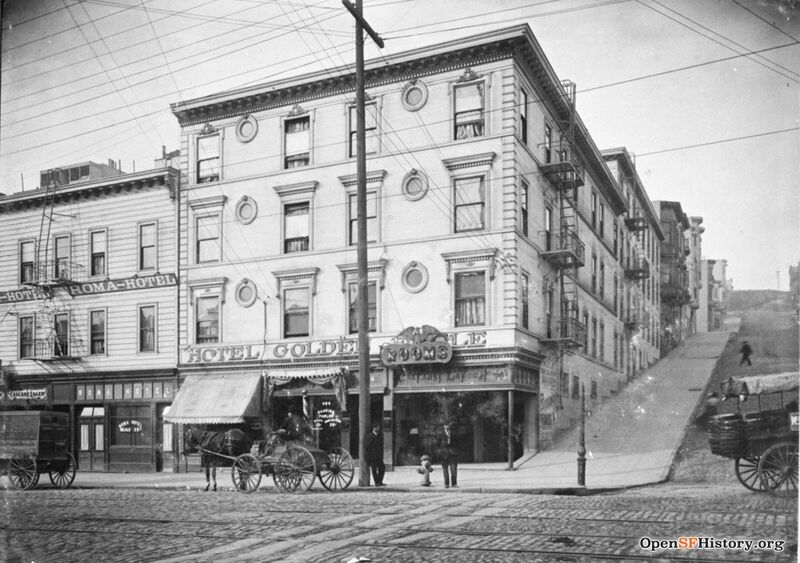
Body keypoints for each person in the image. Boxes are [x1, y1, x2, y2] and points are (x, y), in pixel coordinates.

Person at [440, 423, 458, 489]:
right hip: (444, 454)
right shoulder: (441, 434)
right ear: (443, 426)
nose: (447, 427)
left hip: (452, 454)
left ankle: (454, 483)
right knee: (445, 470)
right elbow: (439, 444)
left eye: (448, 425)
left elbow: (457, 443)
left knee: (453, 469)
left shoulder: (454, 434)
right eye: (445, 425)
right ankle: (446, 484)